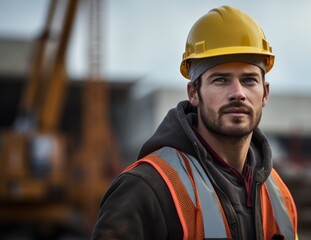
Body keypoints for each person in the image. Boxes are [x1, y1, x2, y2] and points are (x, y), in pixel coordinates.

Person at [92, 5, 298, 240]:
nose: (238, 93)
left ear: (265, 93)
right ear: (193, 93)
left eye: (249, 80)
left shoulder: (280, 197)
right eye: (221, 80)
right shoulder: (147, 188)